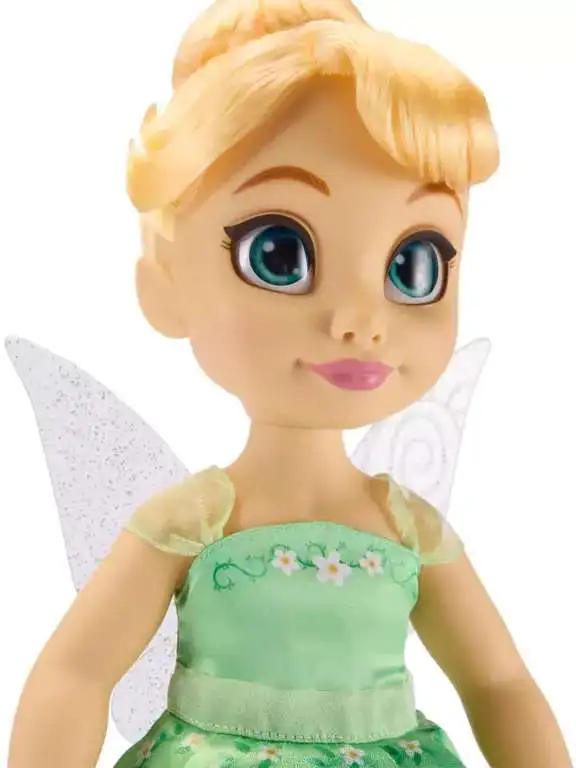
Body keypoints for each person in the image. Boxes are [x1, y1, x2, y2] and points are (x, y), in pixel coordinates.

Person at [8, 1, 572, 766]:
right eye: (279, 253)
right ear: (167, 281)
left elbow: (499, 683)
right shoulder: (195, 520)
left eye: (416, 265)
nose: (360, 321)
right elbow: (76, 673)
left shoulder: (408, 530)